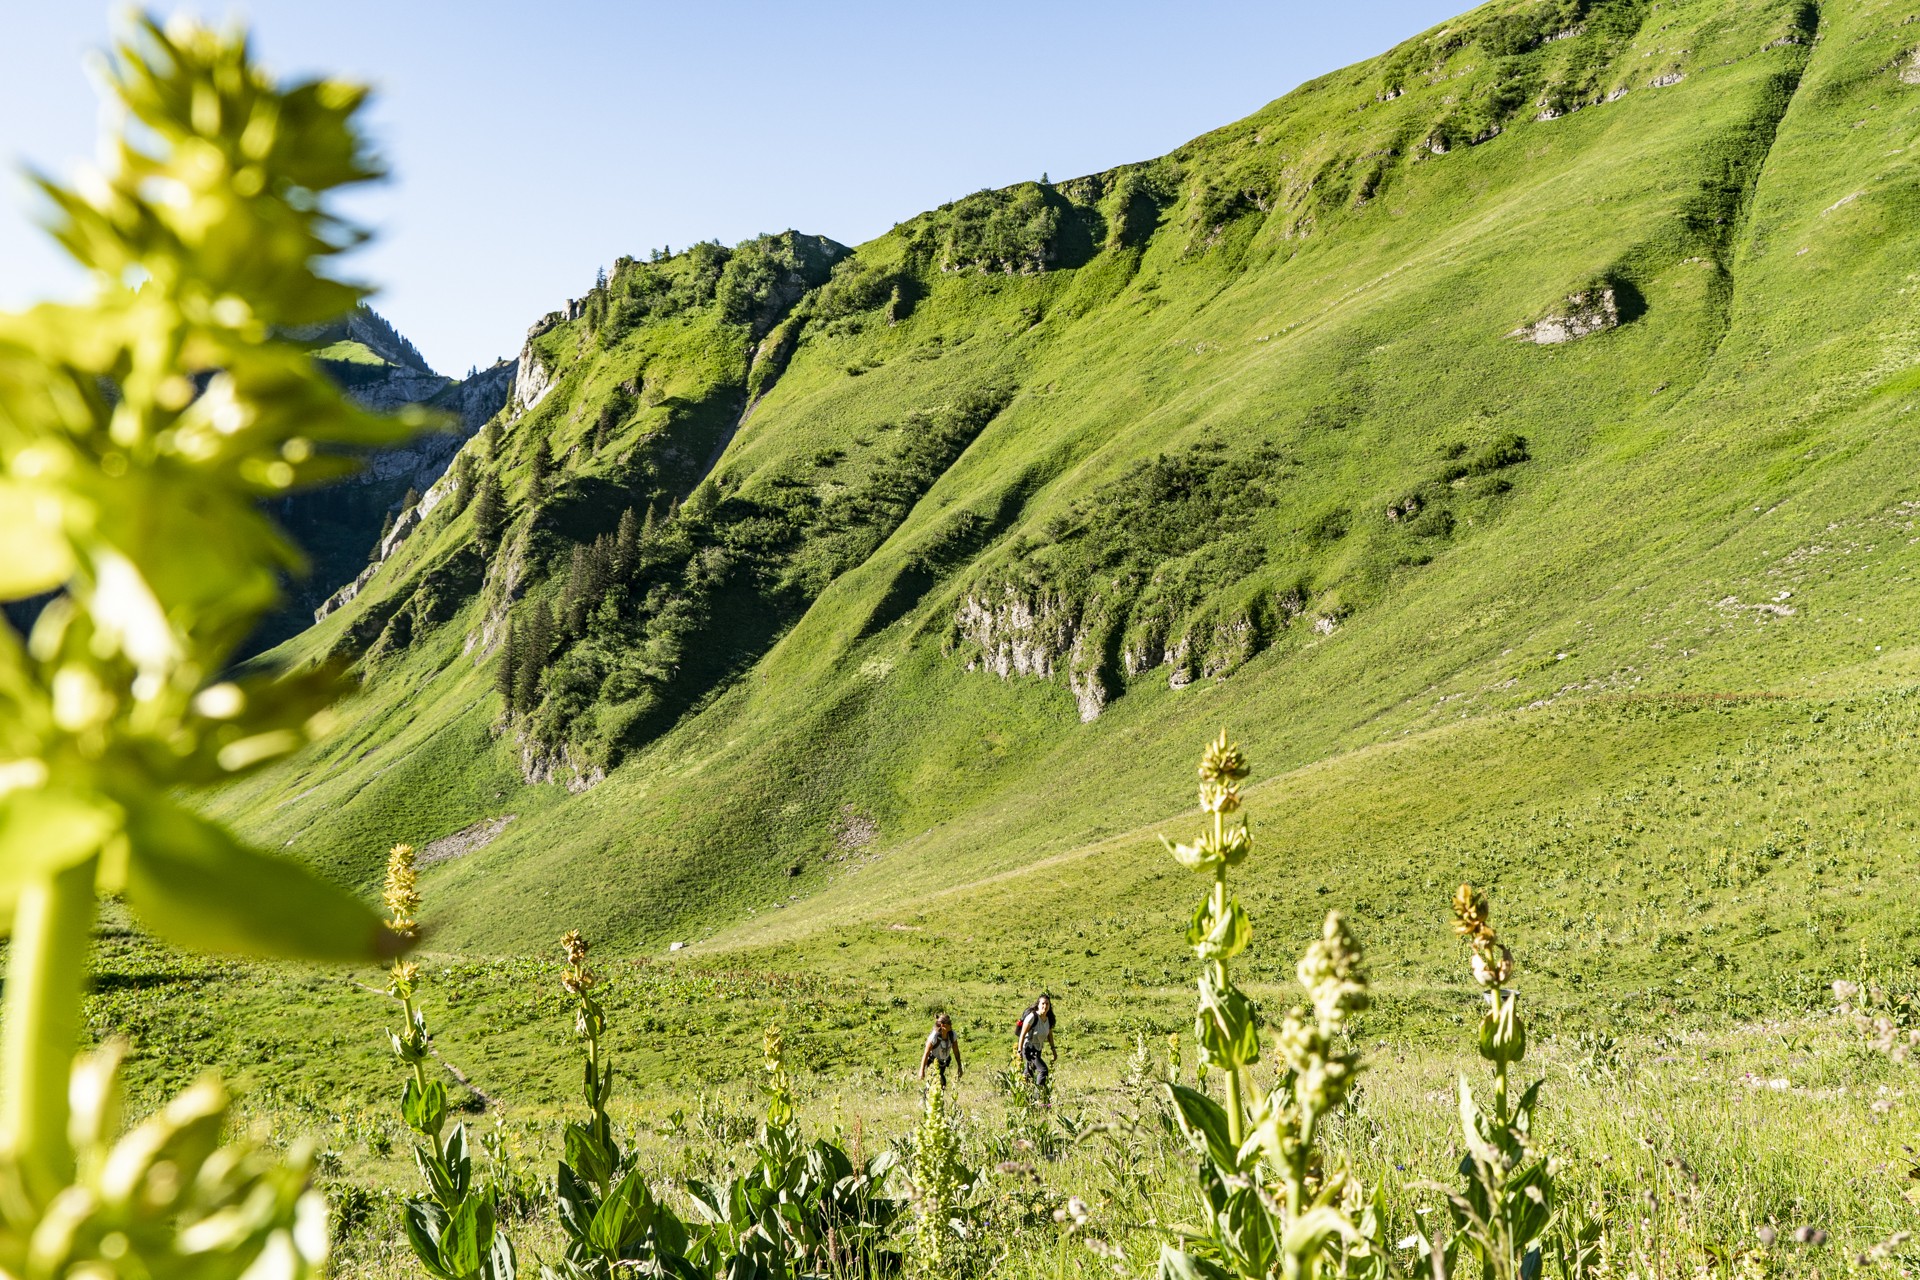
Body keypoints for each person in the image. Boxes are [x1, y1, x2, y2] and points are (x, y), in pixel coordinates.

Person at [1015, 993, 1058, 1092]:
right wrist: (1019, 1051)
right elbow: (1022, 1034)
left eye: (1047, 1004)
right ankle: (1038, 1095)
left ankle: (1022, 1092)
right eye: (1043, 1003)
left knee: (1028, 1074)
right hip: (1028, 1048)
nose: (1045, 1006)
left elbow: (1049, 1035)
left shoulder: (1048, 1019)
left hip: (1038, 1049)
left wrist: (1053, 1050)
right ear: (1038, 1005)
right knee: (1043, 1070)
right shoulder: (1032, 1017)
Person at [919, 1012, 963, 1087]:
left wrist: (959, 1066)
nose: (951, 1025)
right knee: (939, 1082)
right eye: (948, 1023)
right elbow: (926, 1053)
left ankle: (928, 1097)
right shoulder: (934, 1037)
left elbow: (956, 1051)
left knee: (938, 1084)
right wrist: (922, 1070)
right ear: (943, 1025)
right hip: (933, 1062)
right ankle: (927, 1097)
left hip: (943, 1063)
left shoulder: (952, 1035)